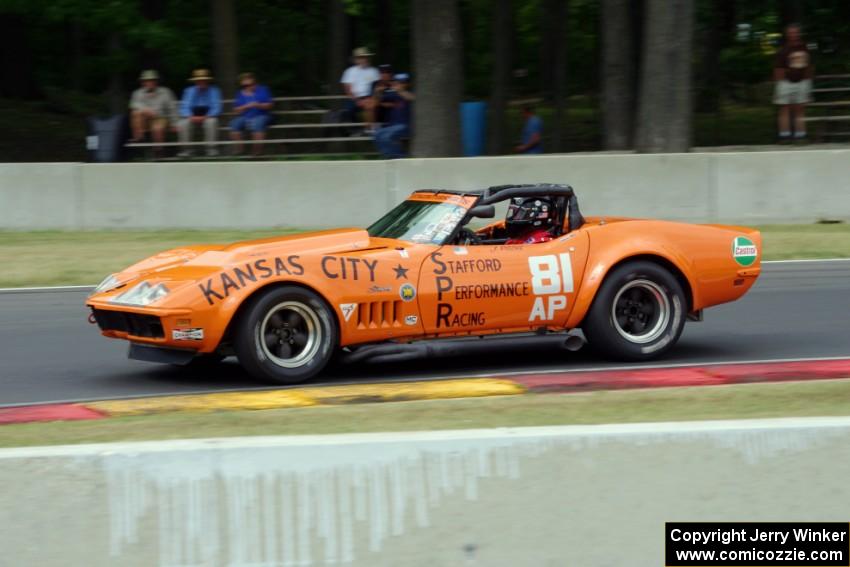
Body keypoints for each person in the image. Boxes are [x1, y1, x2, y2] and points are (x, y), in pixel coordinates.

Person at [773, 23, 814, 142]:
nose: (793, 35)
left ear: (799, 33)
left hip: (802, 81)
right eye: (791, 33)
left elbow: (809, 66)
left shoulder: (805, 47)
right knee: (784, 108)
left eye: (795, 32)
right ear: (787, 34)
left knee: (799, 108)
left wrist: (808, 82)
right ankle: (784, 135)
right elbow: (778, 68)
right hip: (785, 81)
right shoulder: (783, 49)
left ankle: (800, 135)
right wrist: (779, 83)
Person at [128, 70, 178, 153]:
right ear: (143, 82)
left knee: (157, 127)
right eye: (147, 80)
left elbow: (172, 108)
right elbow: (133, 105)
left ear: (156, 81)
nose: (150, 82)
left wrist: (174, 124)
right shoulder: (137, 93)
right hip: (144, 120)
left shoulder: (166, 92)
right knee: (135, 113)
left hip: (161, 118)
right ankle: (139, 139)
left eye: (152, 80)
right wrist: (146, 110)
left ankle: (158, 151)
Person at [178, 69, 222, 157]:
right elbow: (184, 107)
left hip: (208, 116)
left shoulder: (214, 91)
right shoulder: (189, 91)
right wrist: (191, 116)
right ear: (195, 81)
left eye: (203, 80)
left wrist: (205, 117)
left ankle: (211, 150)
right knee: (183, 123)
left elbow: (216, 108)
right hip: (192, 116)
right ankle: (187, 150)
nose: (201, 82)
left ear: (207, 81)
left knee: (211, 122)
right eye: (198, 81)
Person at [229, 72, 273, 156]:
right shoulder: (240, 93)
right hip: (245, 116)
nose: (248, 87)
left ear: (254, 82)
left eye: (250, 84)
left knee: (257, 123)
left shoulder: (263, 90)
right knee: (234, 124)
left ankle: (257, 152)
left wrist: (258, 105)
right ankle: (239, 150)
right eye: (245, 86)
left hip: (261, 115)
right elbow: (236, 110)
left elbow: (269, 105)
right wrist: (246, 107)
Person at [374, 73, 414, 159]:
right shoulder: (393, 94)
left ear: (407, 84)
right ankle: (388, 156)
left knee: (386, 137)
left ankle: (400, 157)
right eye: (397, 82)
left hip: (405, 125)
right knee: (377, 134)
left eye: (402, 82)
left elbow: (412, 98)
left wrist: (399, 90)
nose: (399, 84)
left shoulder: (409, 93)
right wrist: (378, 92)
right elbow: (378, 101)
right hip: (393, 125)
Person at [340, 47, 380, 132]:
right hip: (354, 98)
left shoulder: (374, 71)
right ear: (356, 59)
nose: (364, 59)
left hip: (369, 97)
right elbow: (348, 89)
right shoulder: (349, 71)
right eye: (361, 57)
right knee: (348, 110)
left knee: (370, 105)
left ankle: (370, 129)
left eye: (365, 57)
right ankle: (357, 130)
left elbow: (377, 87)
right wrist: (357, 100)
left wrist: (373, 98)